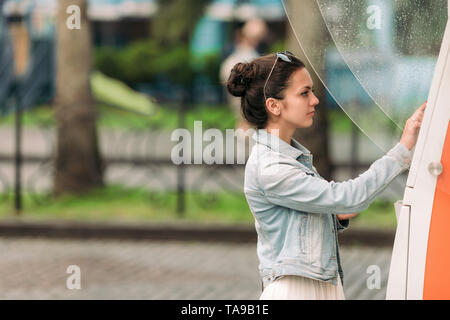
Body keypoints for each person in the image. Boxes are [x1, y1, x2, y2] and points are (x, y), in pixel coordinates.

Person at [225, 51, 426, 300]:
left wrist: (339, 210)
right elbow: (347, 199)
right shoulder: (271, 167)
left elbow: (342, 208)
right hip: (296, 292)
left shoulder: (291, 158)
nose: (315, 100)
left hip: (320, 287)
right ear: (274, 105)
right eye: (304, 93)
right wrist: (403, 147)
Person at [220, 18, 268, 132]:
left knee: (243, 120)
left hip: (238, 93)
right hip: (244, 95)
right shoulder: (250, 57)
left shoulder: (238, 54)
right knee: (245, 122)